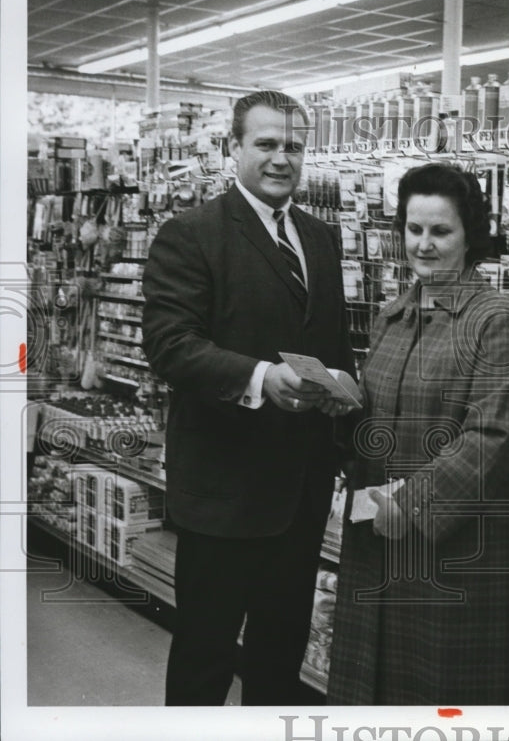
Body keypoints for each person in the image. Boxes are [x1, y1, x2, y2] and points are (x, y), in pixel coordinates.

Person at [142, 90, 358, 706]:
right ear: (232, 147)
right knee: (204, 659)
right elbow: (170, 345)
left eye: (293, 146)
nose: (281, 158)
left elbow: (331, 338)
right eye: (265, 144)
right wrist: (263, 378)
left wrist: (343, 391)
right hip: (223, 492)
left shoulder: (320, 237)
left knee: (278, 657)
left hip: (301, 491)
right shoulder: (191, 234)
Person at [326, 162, 509, 705]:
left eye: (440, 231)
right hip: (380, 540)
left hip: (456, 555)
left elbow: (491, 435)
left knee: (441, 704)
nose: (424, 244)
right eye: (414, 229)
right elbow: (376, 423)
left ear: (470, 234)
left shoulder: (496, 321)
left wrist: (414, 502)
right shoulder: (391, 316)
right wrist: (337, 404)